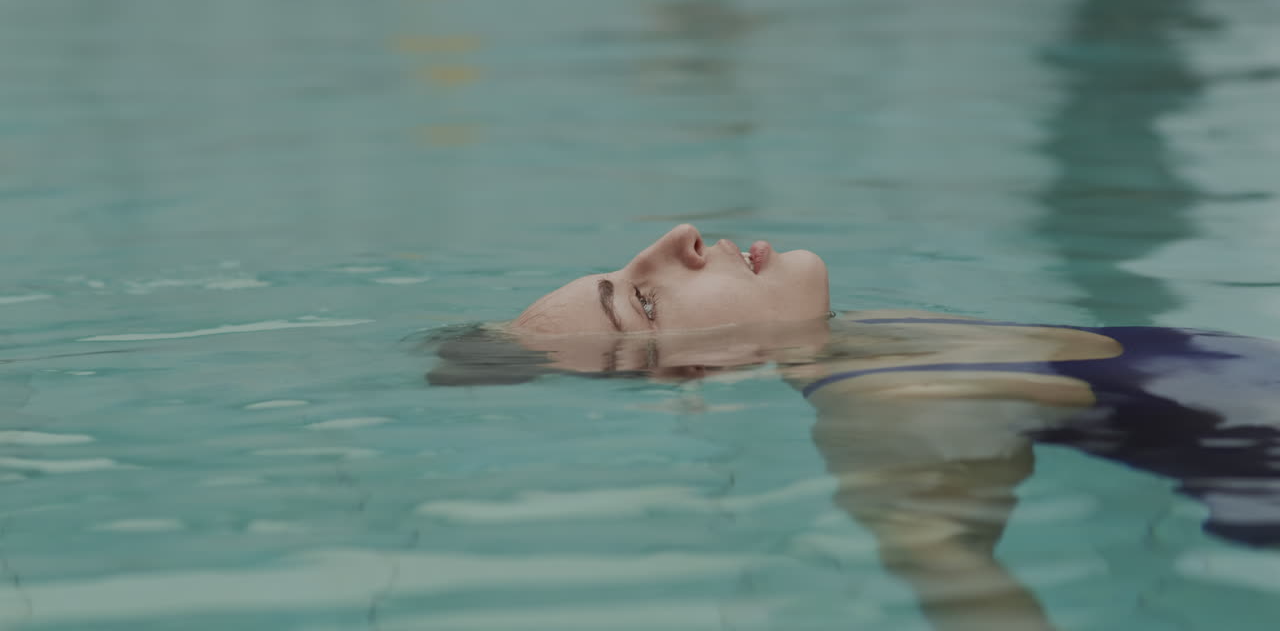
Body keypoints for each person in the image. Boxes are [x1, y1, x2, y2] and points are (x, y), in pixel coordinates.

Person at [426, 223, 1280, 631]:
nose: (673, 239)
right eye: (644, 298)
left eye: (629, 261)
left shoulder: (871, 336)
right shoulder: (886, 405)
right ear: (690, 372)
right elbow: (949, 572)